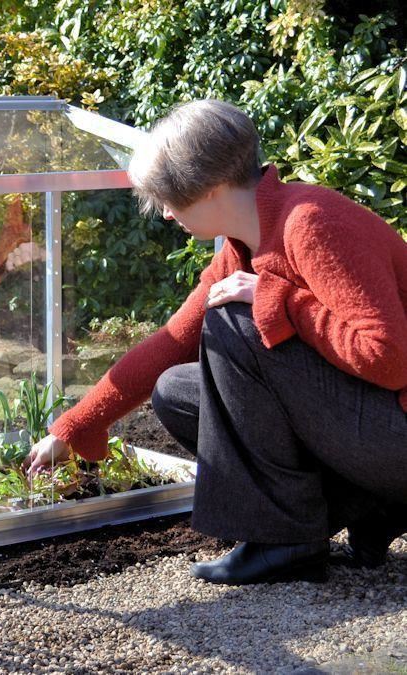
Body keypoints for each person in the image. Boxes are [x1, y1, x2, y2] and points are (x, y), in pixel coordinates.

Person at [23, 99, 407, 585]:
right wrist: (74, 426)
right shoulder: (240, 247)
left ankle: (284, 541)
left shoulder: (311, 223)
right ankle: (364, 503)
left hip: (397, 425)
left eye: (169, 197)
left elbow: (389, 358)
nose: (164, 213)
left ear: (211, 188)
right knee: (177, 391)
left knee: (233, 322)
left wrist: (278, 300)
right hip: (371, 429)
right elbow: (170, 342)